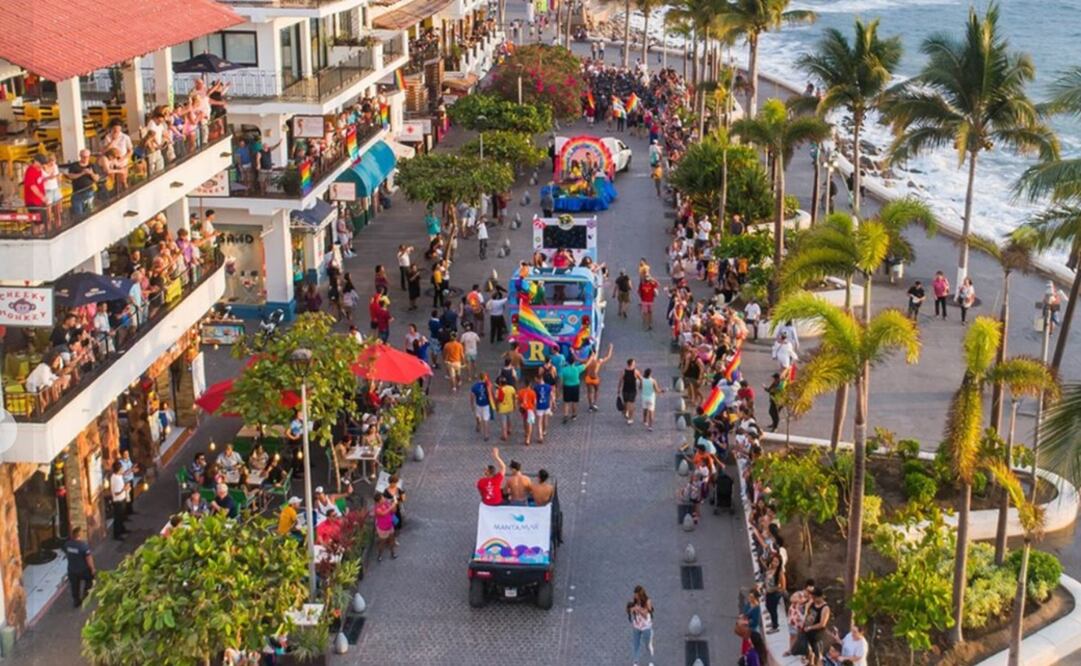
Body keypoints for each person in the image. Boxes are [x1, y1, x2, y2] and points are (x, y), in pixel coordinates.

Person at [63, 526, 95, 608]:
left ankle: (76, 601)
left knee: (74, 586)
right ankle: (86, 595)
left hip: (72, 570)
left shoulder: (67, 544)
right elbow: (89, 558)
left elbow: (67, 553)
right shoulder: (83, 546)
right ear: (79, 535)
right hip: (83, 569)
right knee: (89, 580)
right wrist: (92, 569)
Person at [627, 586, 654, 666]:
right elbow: (631, 611)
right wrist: (631, 610)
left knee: (647, 645)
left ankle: (651, 661)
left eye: (636, 595)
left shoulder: (648, 601)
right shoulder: (635, 601)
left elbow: (646, 615)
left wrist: (638, 609)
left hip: (646, 627)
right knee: (636, 645)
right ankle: (635, 662)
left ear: (640, 595)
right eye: (634, 595)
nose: (635, 597)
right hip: (637, 626)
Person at [583, 342, 614, 412]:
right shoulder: (598, 361)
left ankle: (590, 406)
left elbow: (577, 359)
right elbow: (608, 357)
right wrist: (610, 348)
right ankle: (594, 403)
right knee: (596, 391)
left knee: (589, 392)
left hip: (588, 378)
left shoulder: (586, 361)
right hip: (595, 378)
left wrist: (573, 352)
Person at [559, 355, 587, 424]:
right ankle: (574, 415)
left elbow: (561, 381)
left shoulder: (563, 370)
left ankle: (566, 415)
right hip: (575, 387)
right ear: (574, 361)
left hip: (567, 387)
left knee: (566, 402)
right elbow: (586, 365)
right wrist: (591, 358)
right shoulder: (577, 368)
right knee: (574, 402)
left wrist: (560, 388)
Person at [470, 372, 495, 441]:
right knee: (486, 419)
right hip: (486, 404)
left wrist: (472, 405)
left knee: (478, 415)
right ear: (485, 377)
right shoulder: (488, 385)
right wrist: (494, 402)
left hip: (478, 404)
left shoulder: (475, 386)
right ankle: (486, 434)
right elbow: (492, 394)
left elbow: (472, 397)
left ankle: (478, 425)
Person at [374, 492, 398, 561]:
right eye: (382, 498)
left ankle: (392, 553)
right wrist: (392, 506)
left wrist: (394, 505)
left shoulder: (386, 503)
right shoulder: (377, 508)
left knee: (391, 540)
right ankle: (380, 555)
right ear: (379, 501)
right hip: (383, 529)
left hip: (390, 526)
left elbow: (393, 511)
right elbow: (383, 513)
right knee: (382, 542)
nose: (384, 499)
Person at [109, 460, 130, 540]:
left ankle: (122, 530)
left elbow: (124, 474)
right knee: (118, 518)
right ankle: (117, 534)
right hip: (118, 501)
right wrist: (124, 489)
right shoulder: (115, 479)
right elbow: (117, 492)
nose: (122, 469)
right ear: (118, 469)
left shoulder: (118, 475)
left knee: (122, 516)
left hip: (122, 499)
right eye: (121, 468)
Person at [494, 376, 517, 442]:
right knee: (510, 419)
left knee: (503, 422)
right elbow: (514, 397)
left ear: (500, 383)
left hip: (502, 409)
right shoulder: (511, 388)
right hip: (510, 407)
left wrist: (496, 407)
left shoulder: (498, 390)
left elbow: (497, 400)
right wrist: (514, 405)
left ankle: (504, 435)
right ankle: (509, 429)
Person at [620, 358, 642, 425]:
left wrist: (640, 385)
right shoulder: (635, 371)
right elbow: (641, 379)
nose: (635, 364)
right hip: (628, 389)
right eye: (634, 363)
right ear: (631, 364)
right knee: (626, 403)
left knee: (631, 404)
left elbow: (620, 381)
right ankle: (626, 412)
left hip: (630, 390)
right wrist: (640, 386)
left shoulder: (626, 371)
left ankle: (630, 418)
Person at [533, 373, 554, 443]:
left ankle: (540, 436)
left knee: (539, 422)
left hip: (539, 406)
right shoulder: (548, 386)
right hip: (546, 405)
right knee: (546, 419)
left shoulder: (536, 387)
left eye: (536, 379)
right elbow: (552, 396)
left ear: (539, 379)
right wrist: (553, 403)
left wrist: (534, 407)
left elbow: (535, 398)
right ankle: (544, 430)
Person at [640, 368, 663, 432]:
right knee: (651, 411)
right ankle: (650, 426)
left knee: (645, 409)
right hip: (651, 398)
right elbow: (657, 390)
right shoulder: (653, 381)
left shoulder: (642, 380)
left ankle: (645, 420)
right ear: (650, 374)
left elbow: (640, 387)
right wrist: (662, 391)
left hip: (644, 397)